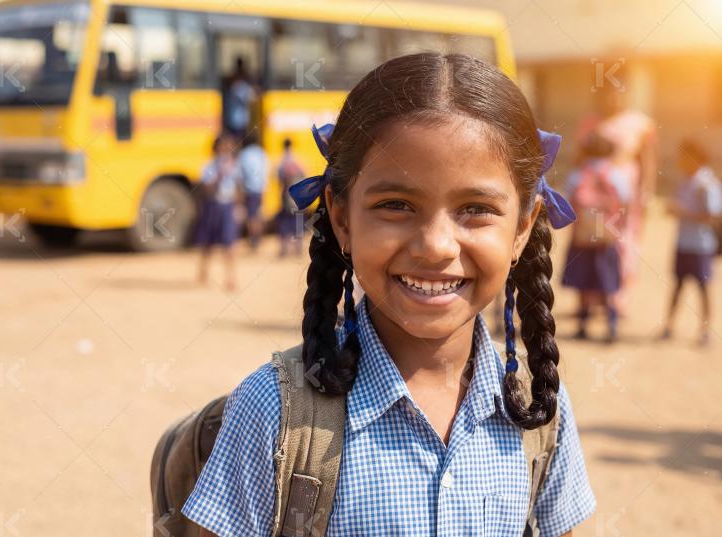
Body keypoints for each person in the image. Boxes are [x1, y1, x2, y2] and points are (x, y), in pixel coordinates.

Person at [182, 53, 595, 537]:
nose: (435, 246)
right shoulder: (274, 413)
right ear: (341, 219)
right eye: (396, 205)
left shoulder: (537, 406)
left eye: (475, 209)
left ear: (523, 228)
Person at [578, 85, 657, 313]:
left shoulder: (639, 123)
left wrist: (646, 192)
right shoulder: (590, 123)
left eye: (618, 94)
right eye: (609, 94)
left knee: (622, 243)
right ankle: (593, 296)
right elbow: (580, 157)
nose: (613, 99)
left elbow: (648, 160)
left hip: (625, 195)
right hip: (594, 196)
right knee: (592, 241)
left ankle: (616, 298)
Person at [561, 133, 631, 343]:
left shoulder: (577, 175)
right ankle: (611, 326)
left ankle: (583, 326)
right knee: (608, 282)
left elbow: (567, 204)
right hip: (607, 236)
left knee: (583, 283)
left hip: (582, 237)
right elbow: (626, 203)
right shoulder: (616, 175)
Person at [661, 139, 722, 346]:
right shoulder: (684, 181)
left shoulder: (707, 183)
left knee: (703, 288)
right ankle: (669, 325)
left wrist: (684, 213)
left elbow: (714, 216)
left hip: (701, 245)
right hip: (683, 242)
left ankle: (705, 330)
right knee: (677, 285)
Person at [194, 133, 242, 292]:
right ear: (216, 149)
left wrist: (239, 207)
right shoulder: (209, 167)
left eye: (229, 147)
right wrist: (219, 175)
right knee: (207, 243)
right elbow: (206, 189)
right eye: (224, 147)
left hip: (228, 206)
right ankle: (203, 273)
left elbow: (238, 188)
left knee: (230, 245)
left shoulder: (234, 166)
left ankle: (231, 278)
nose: (227, 150)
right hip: (212, 206)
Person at [275, 137, 306, 257]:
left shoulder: (281, 161)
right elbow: (305, 175)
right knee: (298, 219)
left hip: (286, 194)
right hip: (298, 194)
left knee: (284, 221)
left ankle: (284, 248)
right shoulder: (297, 160)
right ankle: (298, 247)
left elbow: (279, 178)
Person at [238, 133, 269, 253]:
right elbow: (266, 169)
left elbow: (240, 175)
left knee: (251, 216)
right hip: (261, 188)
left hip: (249, 189)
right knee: (259, 213)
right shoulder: (261, 152)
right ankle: (259, 238)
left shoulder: (244, 154)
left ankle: (254, 241)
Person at [222, 56, 257, 141]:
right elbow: (251, 97)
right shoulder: (241, 86)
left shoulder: (236, 85)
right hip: (238, 120)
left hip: (235, 119)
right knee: (237, 139)